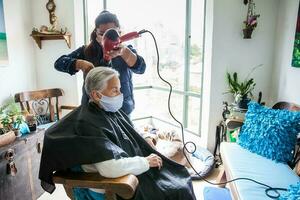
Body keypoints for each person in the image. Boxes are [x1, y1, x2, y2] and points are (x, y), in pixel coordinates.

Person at [39, 67, 196, 200]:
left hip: (130, 170)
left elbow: (128, 130)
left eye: (120, 89)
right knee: (177, 190)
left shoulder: (109, 110)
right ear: (96, 95)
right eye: (115, 90)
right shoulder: (88, 123)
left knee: (180, 176)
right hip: (115, 184)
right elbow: (109, 169)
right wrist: (146, 162)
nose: (120, 94)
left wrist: (145, 138)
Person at [54, 10, 146, 115]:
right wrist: (82, 64)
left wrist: (125, 52)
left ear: (119, 33)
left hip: (123, 110)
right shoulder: (85, 51)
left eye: (111, 34)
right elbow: (58, 63)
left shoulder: (126, 51)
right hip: (93, 112)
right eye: (102, 34)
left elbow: (141, 68)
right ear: (96, 33)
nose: (106, 39)